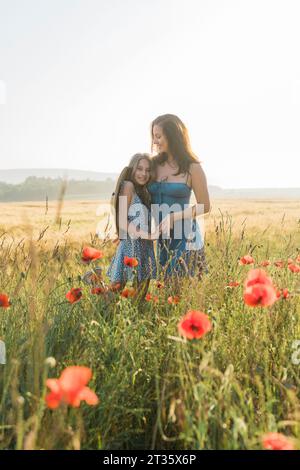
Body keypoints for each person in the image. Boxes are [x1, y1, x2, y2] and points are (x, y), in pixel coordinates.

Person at [148, 114, 210, 283]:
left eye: (158, 136)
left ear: (173, 136)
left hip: (186, 238)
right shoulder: (151, 166)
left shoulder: (193, 168)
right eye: (153, 137)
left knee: (182, 290)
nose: (154, 141)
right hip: (162, 240)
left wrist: (173, 216)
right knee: (166, 293)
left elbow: (205, 206)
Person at [106, 153, 158, 298]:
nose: (144, 174)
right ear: (132, 169)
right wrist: (148, 235)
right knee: (112, 295)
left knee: (140, 298)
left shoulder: (144, 192)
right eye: (140, 169)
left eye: (148, 170)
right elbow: (123, 221)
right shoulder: (128, 186)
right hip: (130, 246)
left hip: (145, 248)